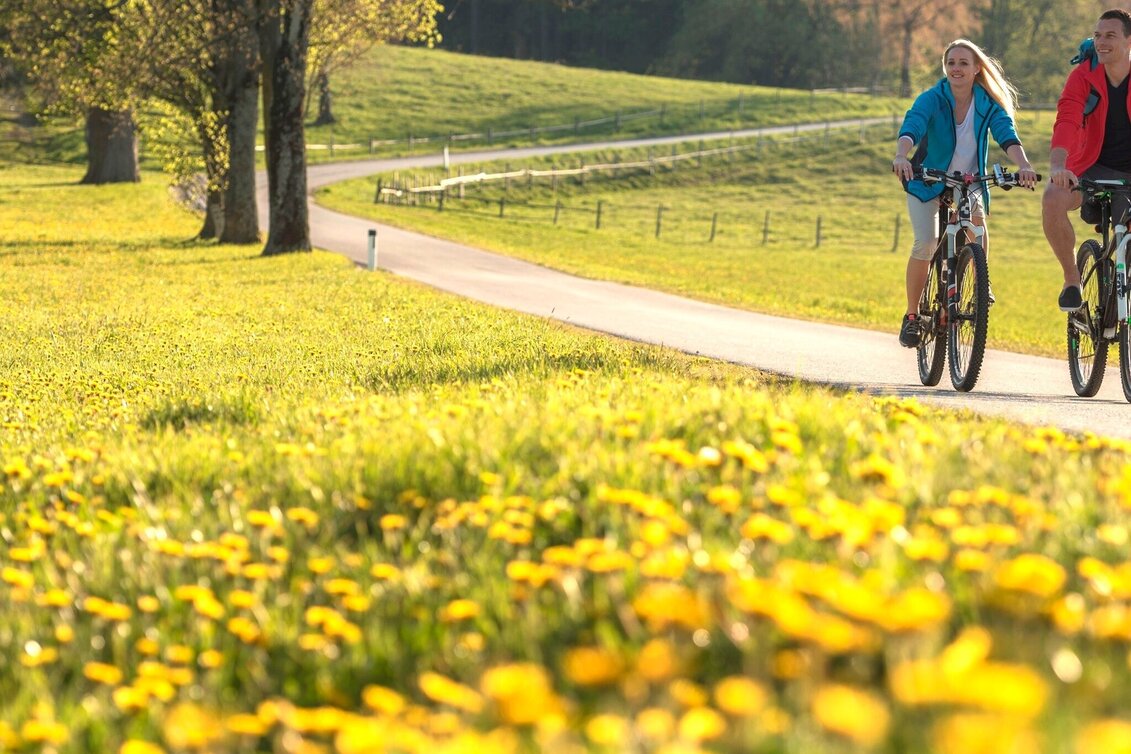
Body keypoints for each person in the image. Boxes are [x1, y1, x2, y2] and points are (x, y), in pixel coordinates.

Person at [892, 39, 1037, 348]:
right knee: (927, 242)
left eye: (963, 63)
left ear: (976, 69)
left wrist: (1024, 165)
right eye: (951, 62)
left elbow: (1006, 134)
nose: (956, 68)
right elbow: (913, 125)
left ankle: (980, 285)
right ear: (946, 68)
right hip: (927, 180)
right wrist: (902, 155)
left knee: (977, 229)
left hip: (969, 182)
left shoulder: (986, 104)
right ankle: (913, 316)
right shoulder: (933, 97)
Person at [1044, 8, 1131, 312]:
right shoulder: (1083, 76)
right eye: (1097, 36)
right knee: (1053, 197)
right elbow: (1067, 120)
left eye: (1110, 35)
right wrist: (1058, 166)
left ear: (1128, 41)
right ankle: (1072, 279)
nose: (1101, 42)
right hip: (1089, 166)